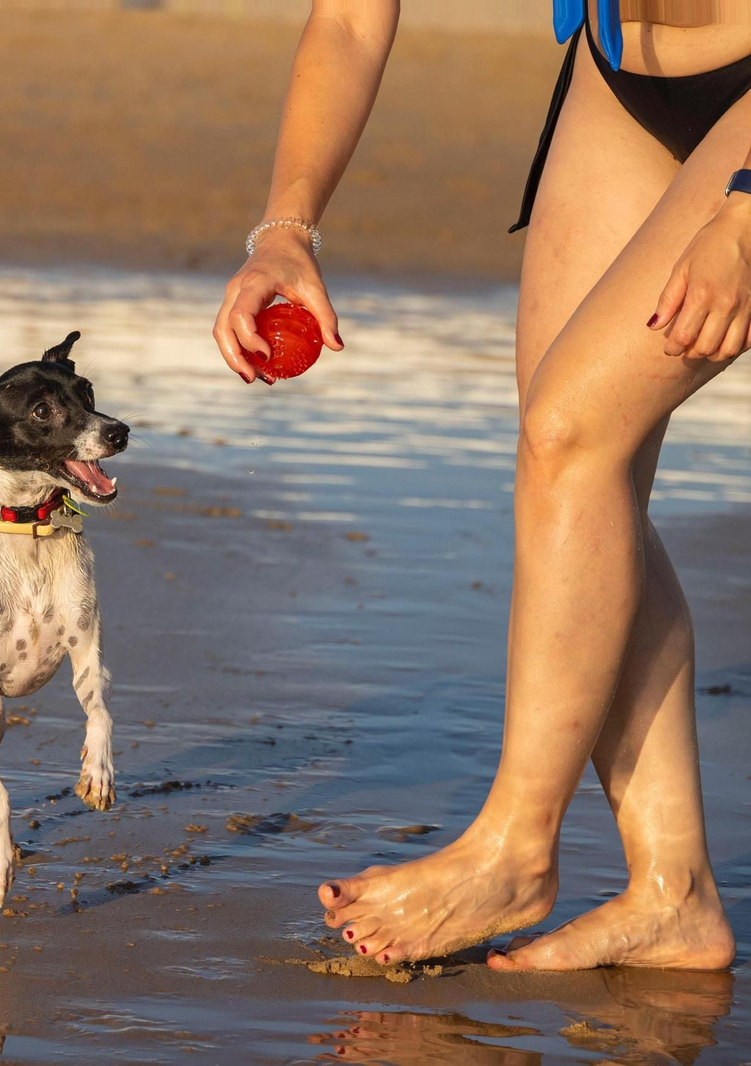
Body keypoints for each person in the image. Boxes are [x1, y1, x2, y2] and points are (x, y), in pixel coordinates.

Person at [214, 0, 748, 971]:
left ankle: (513, 849)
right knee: (583, 468)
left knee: (568, 436)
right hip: (623, 72)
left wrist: (748, 209)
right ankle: (674, 893)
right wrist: (286, 229)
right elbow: (346, 20)